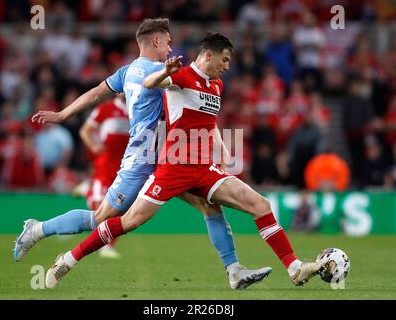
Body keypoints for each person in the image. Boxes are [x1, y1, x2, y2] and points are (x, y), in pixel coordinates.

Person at [44, 32, 328, 289]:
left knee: (260, 205)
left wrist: (223, 151)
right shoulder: (181, 76)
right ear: (207, 55)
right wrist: (164, 72)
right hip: (173, 167)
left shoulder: (216, 86)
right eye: (225, 59)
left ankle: (293, 268)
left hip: (205, 168)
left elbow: (210, 123)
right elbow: (148, 82)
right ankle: (69, 258)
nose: (227, 66)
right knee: (129, 221)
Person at [14, 18, 271, 290]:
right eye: (168, 43)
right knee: (102, 217)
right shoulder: (164, 72)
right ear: (156, 41)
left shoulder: (126, 72)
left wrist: (63, 114)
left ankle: (234, 270)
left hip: (170, 158)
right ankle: (38, 230)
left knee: (209, 205)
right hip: (143, 157)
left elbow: (96, 94)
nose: (171, 48)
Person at [80, 96, 130, 258]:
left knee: (120, 207)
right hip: (106, 164)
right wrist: (94, 146)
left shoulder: (139, 106)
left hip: (127, 165)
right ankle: (89, 190)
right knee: (100, 206)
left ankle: (108, 246)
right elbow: (85, 130)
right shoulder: (105, 109)